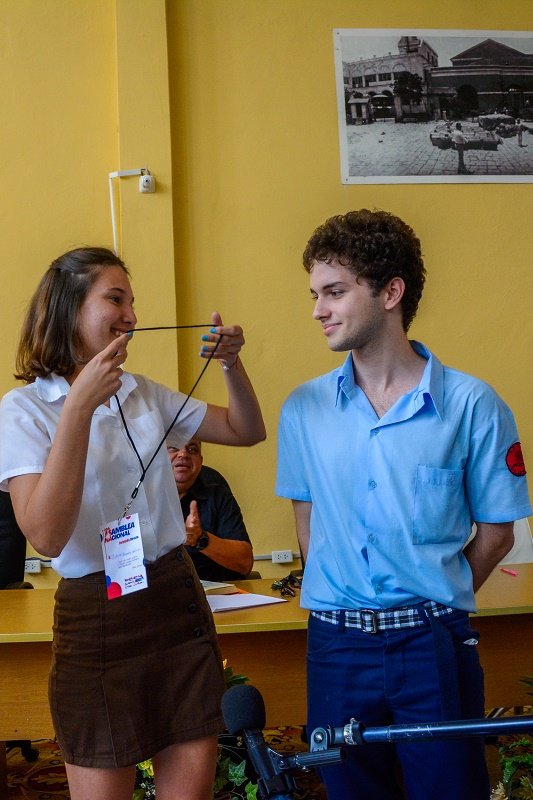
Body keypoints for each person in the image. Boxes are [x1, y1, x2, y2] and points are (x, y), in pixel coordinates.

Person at [275, 210, 531, 800]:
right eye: (315, 294)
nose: (318, 309)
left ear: (391, 292)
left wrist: (432, 597)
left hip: (432, 647)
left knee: (450, 792)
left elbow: (498, 532)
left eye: (335, 292)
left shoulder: (473, 405)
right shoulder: (303, 409)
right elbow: (308, 518)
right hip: (335, 648)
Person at [0, 246, 265, 800]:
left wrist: (230, 365)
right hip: (96, 615)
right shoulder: (22, 411)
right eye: (115, 298)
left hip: (174, 599)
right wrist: (77, 408)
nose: (131, 316)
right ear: (69, 306)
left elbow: (245, 429)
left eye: (134, 302)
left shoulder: (143, 391)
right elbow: (45, 536)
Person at [167, 437, 254, 581]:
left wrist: (200, 538)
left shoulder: (217, 493)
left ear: (200, 462)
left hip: (215, 592)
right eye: (174, 448)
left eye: (192, 449)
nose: (183, 454)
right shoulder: (138, 497)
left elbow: (244, 563)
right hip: (161, 594)